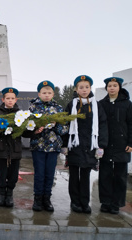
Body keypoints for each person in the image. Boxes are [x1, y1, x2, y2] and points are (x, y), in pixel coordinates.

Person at [63, 75, 107, 213]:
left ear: (90, 88)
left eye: (87, 87)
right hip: (75, 146)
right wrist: (64, 144)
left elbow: (103, 125)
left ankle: (84, 202)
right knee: (74, 175)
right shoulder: (72, 105)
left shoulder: (96, 105)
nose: (84, 90)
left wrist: (101, 145)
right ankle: (75, 202)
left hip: (89, 146)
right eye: (81, 87)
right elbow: (65, 123)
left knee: (86, 176)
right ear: (76, 89)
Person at [28, 81, 68, 212]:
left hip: (53, 147)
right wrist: (34, 130)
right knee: (39, 174)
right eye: (44, 93)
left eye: (49, 93)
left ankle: (47, 199)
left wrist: (56, 124)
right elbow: (25, 127)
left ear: (53, 94)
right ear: (39, 94)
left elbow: (64, 130)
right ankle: (38, 199)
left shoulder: (58, 108)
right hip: (38, 146)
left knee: (50, 174)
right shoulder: (32, 108)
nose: (46, 95)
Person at [99, 77, 132, 214]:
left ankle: (116, 204)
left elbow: (131, 124)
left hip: (122, 145)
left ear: (119, 87)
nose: (112, 88)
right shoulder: (101, 104)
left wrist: (131, 142)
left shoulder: (127, 104)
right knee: (105, 174)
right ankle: (105, 202)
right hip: (106, 144)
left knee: (120, 175)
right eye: (109, 86)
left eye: (115, 85)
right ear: (106, 88)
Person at [0, 87, 26, 208]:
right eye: (8, 98)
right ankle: (2, 194)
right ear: (3, 99)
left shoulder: (20, 114)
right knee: (2, 173)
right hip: (1, 149)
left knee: (13, 174)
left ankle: (10, 194)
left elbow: (26, 132)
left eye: (12, 98)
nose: (10, 100)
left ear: (16, 99)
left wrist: (34, 130)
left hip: (15, 150)